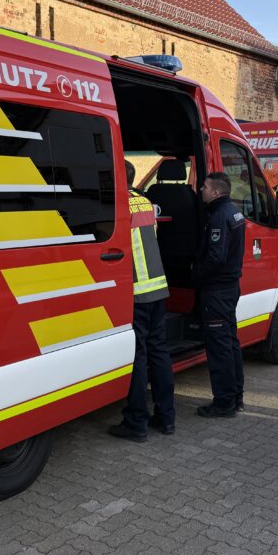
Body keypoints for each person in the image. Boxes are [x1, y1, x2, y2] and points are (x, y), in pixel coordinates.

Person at [109, 161, 176, 442]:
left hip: (136, 292)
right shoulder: (145, 202)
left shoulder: (118, 205)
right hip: (158, 288)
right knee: (159, 352)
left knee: (137, 357)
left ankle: (136, 422)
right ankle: (166, 417)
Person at [193, 171, 246, 418]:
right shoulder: (234, 211)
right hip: (230, 288)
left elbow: (216, 257)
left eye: (204, 187)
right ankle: (236, 397)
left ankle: (224, 403)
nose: (200, 190)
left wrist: (196, 274)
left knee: (219, 348)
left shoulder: (218, 217)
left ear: (215, 192)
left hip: (216, 291)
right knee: (230, 343)